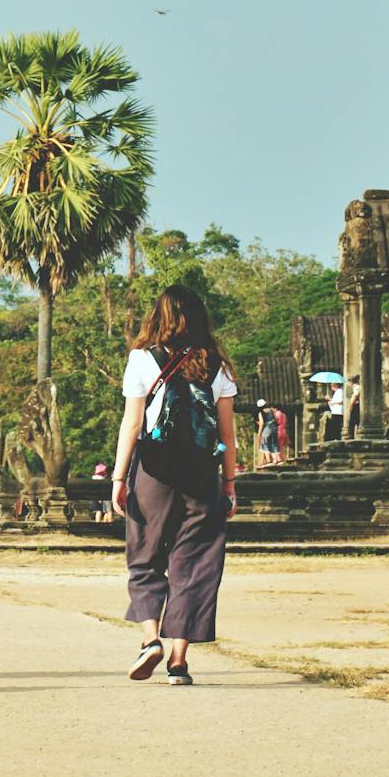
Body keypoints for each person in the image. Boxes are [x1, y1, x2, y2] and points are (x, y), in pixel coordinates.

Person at [112, 285, 237, 687]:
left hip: (154, 470)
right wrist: (230, 483)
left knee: (145, 555)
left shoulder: (142, 360)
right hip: (202, 473)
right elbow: (227, 434)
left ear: (159, 316)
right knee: (197, 563)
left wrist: (118, 477)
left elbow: (132, 424)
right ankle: (179, 663)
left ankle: (151, 640)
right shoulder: (217, 366)